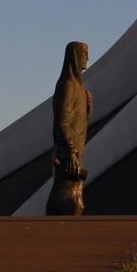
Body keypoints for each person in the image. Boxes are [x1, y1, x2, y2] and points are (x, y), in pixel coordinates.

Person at [47, 41, 91, 215]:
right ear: (74, 57)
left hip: (76, 151)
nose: (87, 58)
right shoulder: (67, 86)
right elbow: (62, 122)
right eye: (84, 54)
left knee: (76, 197)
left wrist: (87, 107)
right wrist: (70, 152)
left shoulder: (79, 88)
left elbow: (78, 122)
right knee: (67, 197)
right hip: (67, 154)